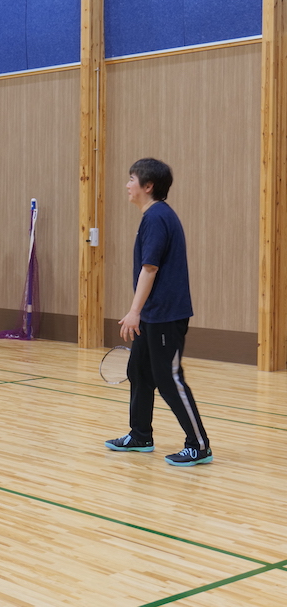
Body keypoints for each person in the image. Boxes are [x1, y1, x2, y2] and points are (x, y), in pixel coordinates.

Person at [105, 158, 212, 467]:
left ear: (148, 186)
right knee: (138, 371)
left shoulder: (156, 217)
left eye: (131, 179)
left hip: (165, 314)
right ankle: (140, 435)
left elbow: (149, 269)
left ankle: (199, 445)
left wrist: (133, 311)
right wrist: (140, 312)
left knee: (169, 379)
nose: (127, 185)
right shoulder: (152, 216)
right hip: (152, 314)